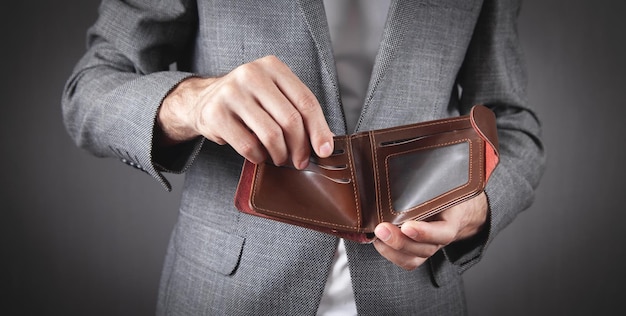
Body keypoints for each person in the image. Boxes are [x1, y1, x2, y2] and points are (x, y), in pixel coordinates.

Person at [62, 0, 545, 314]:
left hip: (416, 295)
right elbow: (91, 88)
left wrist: (478, 205)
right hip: (225, 295)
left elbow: (512, 124)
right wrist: (193, 100)